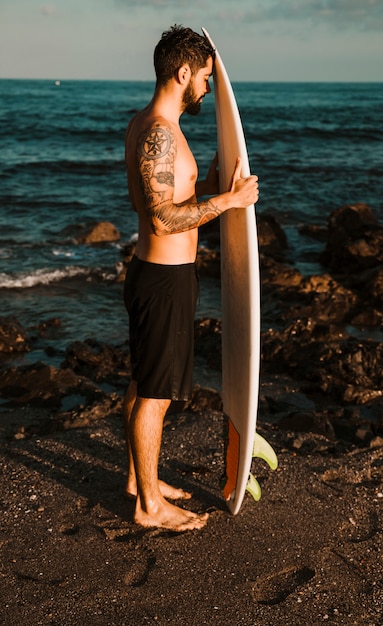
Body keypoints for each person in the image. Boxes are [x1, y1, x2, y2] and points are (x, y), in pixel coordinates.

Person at [123, 25, 259, 531]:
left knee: (142, 383)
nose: (206, 87)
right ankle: (149, 508)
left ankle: (141, 482)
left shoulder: (146, 124)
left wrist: (213, 181)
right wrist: (228, 202)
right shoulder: (161, 132)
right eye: (204, 76)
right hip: (164, 279)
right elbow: (162, 217)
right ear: (183, 72)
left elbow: (167, 198)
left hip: (150, 273)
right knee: (154, 396)